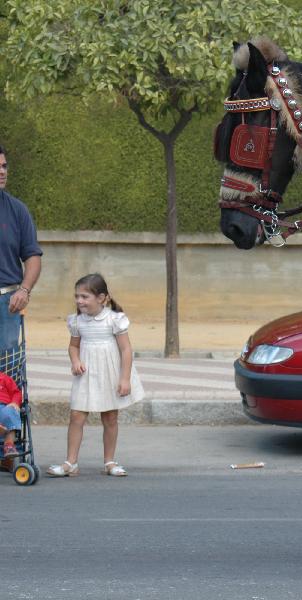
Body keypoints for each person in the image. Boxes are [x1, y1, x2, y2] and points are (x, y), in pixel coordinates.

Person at [47, 274, 144, 477]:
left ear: (101, 298)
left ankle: (109, 461)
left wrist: (124, 378)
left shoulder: (114, 319)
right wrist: (75, 361)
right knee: (76, 415)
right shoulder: (77, 321)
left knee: (110, 417)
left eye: (84, 296)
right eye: (77, 296)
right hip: (86, 374)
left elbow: (126, 350)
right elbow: (73, 346)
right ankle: (70, 462)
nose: (79, 301)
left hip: (110, 373)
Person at [0, 144, 42, 351]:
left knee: (6, 371)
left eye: (4, 166)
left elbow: (32, 256)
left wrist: (24, 290)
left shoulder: (18, 210)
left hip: (7, 303)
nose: (2, 171)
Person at [0, 371, 22, 457]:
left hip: (5, 406)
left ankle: (9, 444)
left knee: (11, 411)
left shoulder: (5, 379)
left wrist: (15, 402)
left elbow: (16, 393)